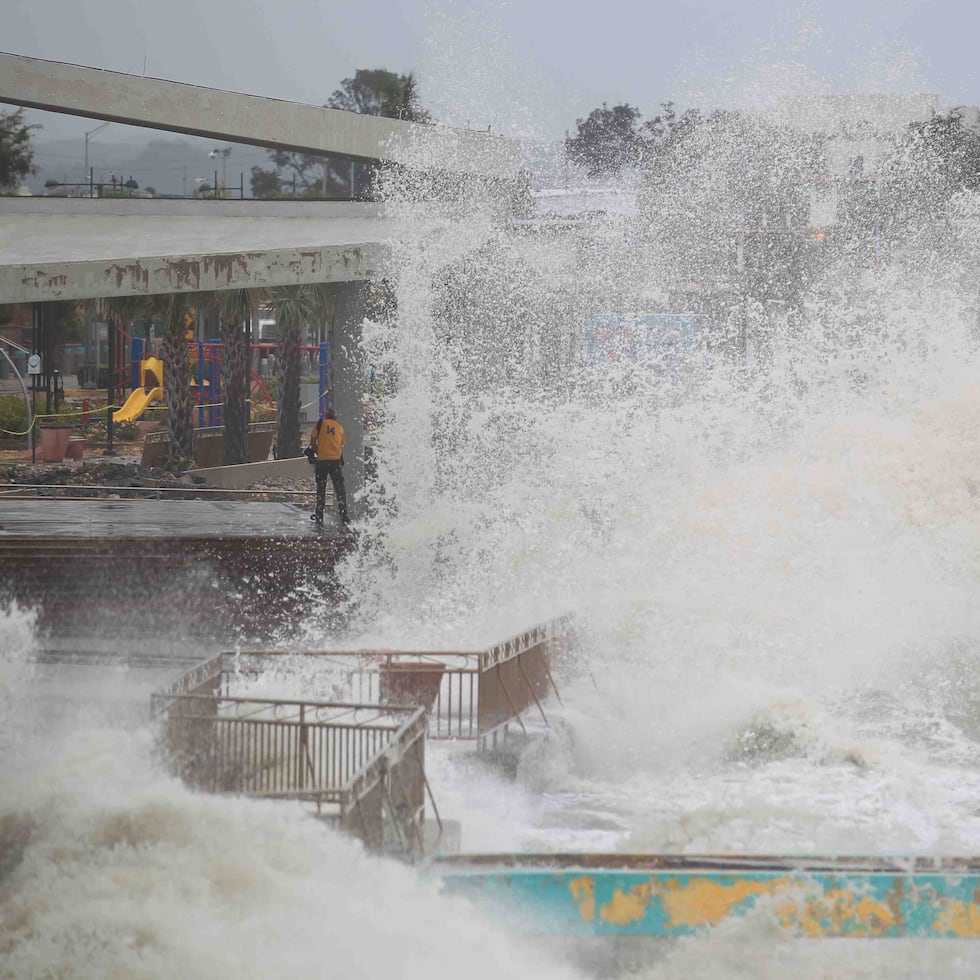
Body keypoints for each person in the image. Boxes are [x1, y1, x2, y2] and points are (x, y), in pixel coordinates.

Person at [308, 408, 349, 526]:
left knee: (321, 487)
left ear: (326, 416)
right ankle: (344, 516)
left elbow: (313, 440)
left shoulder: (321, 424)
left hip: (322, 461)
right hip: (335, 461)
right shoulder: (340, 428)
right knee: (340, 489)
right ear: (335, 417)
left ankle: (319, 514)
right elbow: (341, 443)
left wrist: (317, 450)